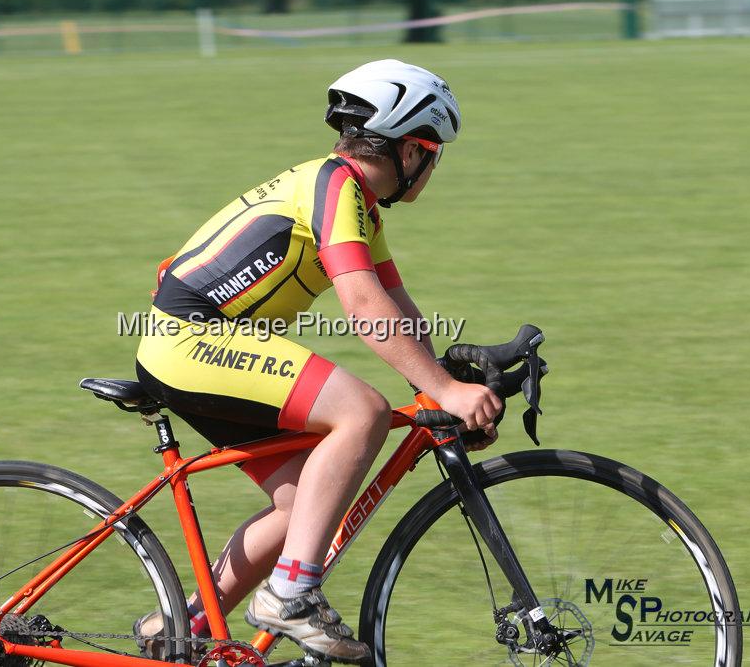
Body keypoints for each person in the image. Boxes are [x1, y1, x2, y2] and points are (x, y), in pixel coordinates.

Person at [132, 59, 501, 664]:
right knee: (363, 412)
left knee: (307, 498)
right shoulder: (336, 186)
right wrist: (442, 388)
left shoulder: (353, 200)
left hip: (199, 346)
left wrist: (444, 389)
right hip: (191, 341)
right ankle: (290, 594)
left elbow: (395, 307)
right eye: (434, 151)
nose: (434, 166)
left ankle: (179, 626)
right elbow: (361, 303)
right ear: (410, 149)